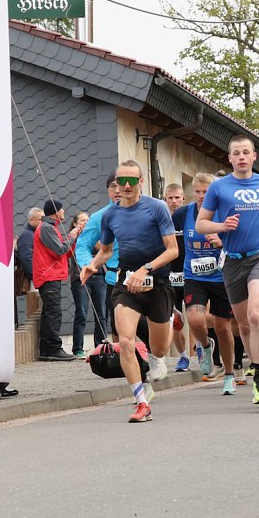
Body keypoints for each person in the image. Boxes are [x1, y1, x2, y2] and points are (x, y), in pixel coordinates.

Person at [80, 160, 178, 423]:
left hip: (156, 282)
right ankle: (141, 401)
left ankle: (158, 357)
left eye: (131, 181)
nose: (125, 186)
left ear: (141, 183)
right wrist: (92, 265)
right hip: (126, 284)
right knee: (125, 340)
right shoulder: (111, 215)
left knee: (159, 347)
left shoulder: (156, 208)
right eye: (119, 182)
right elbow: (107, 250)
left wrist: (146, 269)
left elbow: (172, 250)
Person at [195, 135, 259, 406]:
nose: (242, 157)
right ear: (230, 158)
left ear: (254, 156)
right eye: (237, 153)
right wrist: (222, 226)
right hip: (232, 260)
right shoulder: (219, 187)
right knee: (243, 324)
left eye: (246, 152)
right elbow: (201, 224)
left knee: (256, 314)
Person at [172, 173, 238, 394]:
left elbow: (240, 240)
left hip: (222, 276)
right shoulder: (183, 213)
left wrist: (222, 242)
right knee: (195, 319)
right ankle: (205, 347)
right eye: (197, 191)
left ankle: (228, 373)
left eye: (205, 191)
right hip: (194, 275)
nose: (201, 196)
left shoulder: (224, 211)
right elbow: (172, 240)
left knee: (222, 327)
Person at [75, 173, 123, 342]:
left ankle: (153, 356)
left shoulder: (148, 210)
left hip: (144, 276)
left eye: (120, 185)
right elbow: (82, 245)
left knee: (145, 324)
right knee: (119, 327)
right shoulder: (100, 217)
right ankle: (124, 363)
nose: (117, 190)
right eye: (112, 187)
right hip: (114, 279)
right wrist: (89, 264)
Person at [33, 199, 81, 361]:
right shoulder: (46, 228)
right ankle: (52, 348)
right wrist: (72, 236)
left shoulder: (50, 228)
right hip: (48, 276)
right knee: (53, 313)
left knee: (50, 313)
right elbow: (60, 250)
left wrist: (72, 240)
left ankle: (48, 349)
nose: (64, 212)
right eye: (62, 210)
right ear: (55, 212)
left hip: (50, 275)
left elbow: (64, 252)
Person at [164, 183, 191, 373]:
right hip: (170, 276)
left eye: (177, 198)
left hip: (191, 274)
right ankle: (183, 357)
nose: (174, 202)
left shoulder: (191, 218)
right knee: (174, 319)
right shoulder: (162, 220)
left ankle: (201, 351)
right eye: (170, 198)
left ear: (183, 199)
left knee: (197, 318)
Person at [68, 212, 90, 357]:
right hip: (78, 277)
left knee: (101, 312)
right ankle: (78, 348)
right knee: (81, 312)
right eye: (82, 220)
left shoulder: (93, 235)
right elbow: (66, 253)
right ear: (75, 223)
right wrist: (73, 237)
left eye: (88, 220)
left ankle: (101, 345)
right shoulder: (72, 238)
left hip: (96, 276)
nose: (85, 223)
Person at [17, 207, 43, 286]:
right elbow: (27, 258)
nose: (42, 222)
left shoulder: (36, 234)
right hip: (36, 280)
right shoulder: (27, 235)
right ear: (31, 220)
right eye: (40, 220)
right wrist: (37, 277)